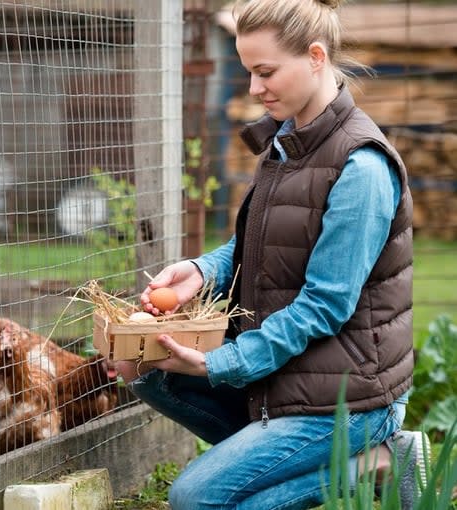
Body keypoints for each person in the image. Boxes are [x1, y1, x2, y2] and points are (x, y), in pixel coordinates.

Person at [115, 0, 429, 508]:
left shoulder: (361, 168)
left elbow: (324, 305)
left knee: (196, 500)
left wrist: (225, 361)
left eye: (265, 72)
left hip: (349, 396)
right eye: (249, 73)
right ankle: (274, 464)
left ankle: (380, 456)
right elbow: (256, 248)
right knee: (146, 369)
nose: (254, 89)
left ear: (315, 57)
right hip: (291, 374)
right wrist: (201, 272)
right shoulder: (288, 144)